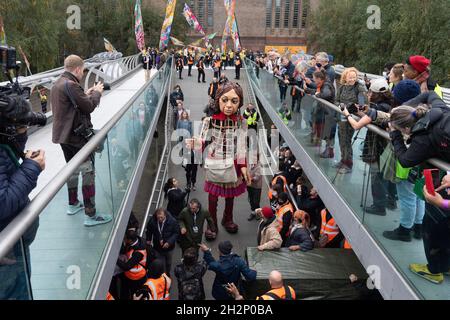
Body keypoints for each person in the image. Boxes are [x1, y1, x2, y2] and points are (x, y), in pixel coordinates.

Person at [388, 92, 450, 284]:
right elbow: (430, 93)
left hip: (444, 187)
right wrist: (403, 109)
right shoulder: (439, 109)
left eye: (403, 130)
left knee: (434, 226)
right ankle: (446, 265)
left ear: (407, 128)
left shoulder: (422, 139)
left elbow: (405, 160)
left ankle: (434, 270)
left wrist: (394, 135)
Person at [51, 54, 112, 226]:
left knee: (72, 170)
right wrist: (97, 93)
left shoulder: (58, 83)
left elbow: (70, 106)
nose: (83, 74)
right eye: (83, 71)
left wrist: (84, 94)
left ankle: (73, 203)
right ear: (77, 69)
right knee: (87, 172)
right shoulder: (71, 84)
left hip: (63, 138)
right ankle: (90, 214)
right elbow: (89, 107)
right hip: (77, 138)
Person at [0, 116, 44, 299]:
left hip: (13, 238)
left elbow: (5, 160)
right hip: (6, 246)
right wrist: (32, 168)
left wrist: (19, 130)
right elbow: (2, 203)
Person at [199, 82, 251, 237]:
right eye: (225, 100)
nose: (229, 105)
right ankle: (212, 223)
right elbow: (202, 140)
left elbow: (242, 145)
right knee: (213, 198)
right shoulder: (209, 121)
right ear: (218, 100)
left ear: (239, 103)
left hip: (232, 162)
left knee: (230, 196)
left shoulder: (241, 122)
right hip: (215, 161)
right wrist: (195, 146)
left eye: (234, 101)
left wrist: (243, 165)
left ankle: (227, 218)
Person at [342, 78, 394, 216]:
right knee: (380, 175)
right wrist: (359, 111)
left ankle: (379, 206)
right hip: (383, 145)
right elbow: (371, 118)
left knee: (376, 175)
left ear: (376, 93)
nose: (368, 94)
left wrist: (347, 114)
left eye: (370, 91)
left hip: (377, 146)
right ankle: (386, 201)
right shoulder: (388, 104)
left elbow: (357, 125)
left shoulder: (380, 107)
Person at [334, 67, 367, 173]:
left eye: (354, 77)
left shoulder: (359, 88)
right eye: (350, 77)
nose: (352, 79)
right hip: (341, 117)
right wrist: (340, 106)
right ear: (345, 77)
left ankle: (348, 164)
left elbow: (362, 103)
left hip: (352, 118)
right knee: (341, 139)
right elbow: (336, 100)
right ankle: (343, 160)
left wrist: (357, 107)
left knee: (347, 140)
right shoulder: (342, 87)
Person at [145, 208, 179, 276]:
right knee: (159, 262)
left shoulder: (172, 221)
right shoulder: (153, 221)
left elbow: (176, 233)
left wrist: (169, 242)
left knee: (168, 262)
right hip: (157, 246)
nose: (160, 219)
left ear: (165, 215)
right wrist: (148, 239)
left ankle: (167, 274)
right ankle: (161, 275)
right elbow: (149, 230)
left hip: (169, 247)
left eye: (161, 217)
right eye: (158, 217)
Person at [117, 228, 148, 300]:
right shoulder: (134, 243)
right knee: (124, 292)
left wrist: (115, 259)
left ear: (130, 240)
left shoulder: (138, 253)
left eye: (125, 238)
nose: (124, 240)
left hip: (136, 277)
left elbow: (126, 266)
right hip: (129, 275)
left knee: (133, 294)